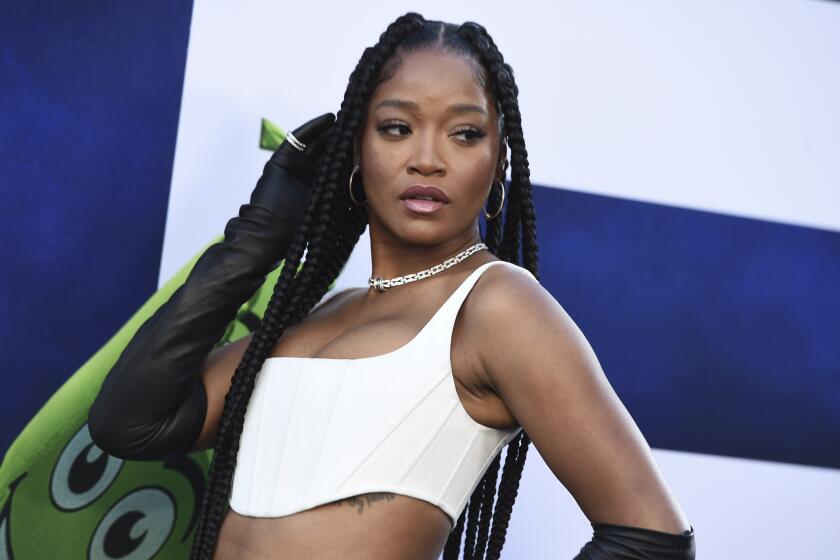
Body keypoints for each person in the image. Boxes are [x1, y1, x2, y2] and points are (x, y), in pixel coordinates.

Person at [88, 12, 696, 560]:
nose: (427, 159)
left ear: (499, 161)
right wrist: (260, 234)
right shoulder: (323, 314)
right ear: (357, 147)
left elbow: (652, 541)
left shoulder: (496, 306)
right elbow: (130, 423)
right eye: (397, 127)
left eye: (464, 134)